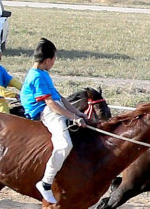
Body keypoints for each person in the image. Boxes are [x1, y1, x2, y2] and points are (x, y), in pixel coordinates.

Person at [20, 38, 89, 204]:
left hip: (53, 108)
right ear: (48, 60)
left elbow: (61, 99)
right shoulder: (36, 77)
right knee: (65, 145)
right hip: (45, 112)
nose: (54, 63)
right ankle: (45, 183)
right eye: (54, 59)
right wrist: (73, 118)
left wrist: (78, 114)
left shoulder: (43, 73)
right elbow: (50, 103)